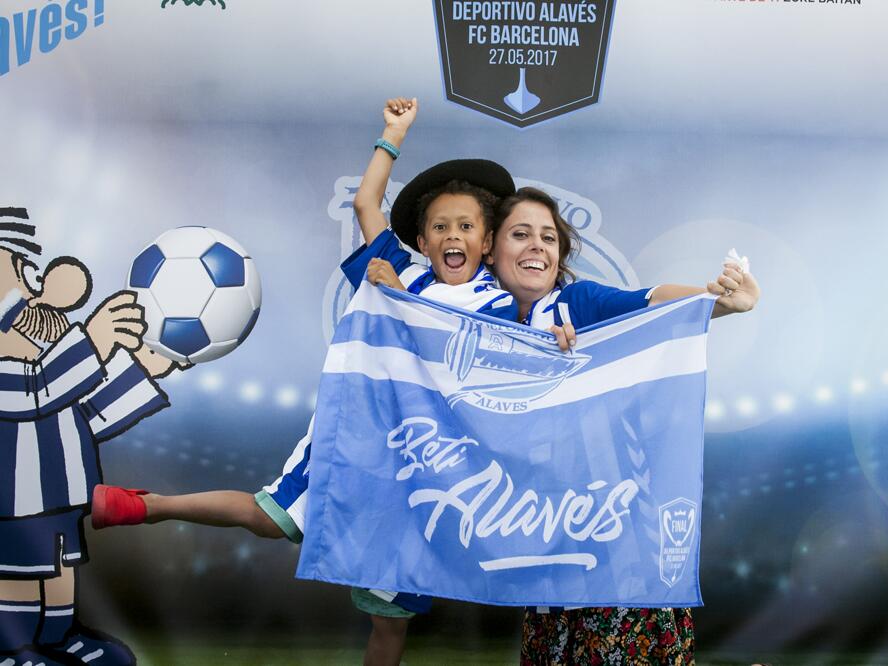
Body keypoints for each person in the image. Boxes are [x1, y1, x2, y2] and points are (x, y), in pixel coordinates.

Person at [90, 98, 522, 666]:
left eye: (465, 225)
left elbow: (470, 370)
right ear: (422, 240)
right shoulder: (407, 269)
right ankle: (150, 506)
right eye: (439, 225)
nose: (452, 235)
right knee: (274, 518)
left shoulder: (497, 301)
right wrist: (392, 135)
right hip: (361, 441)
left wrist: (394, 298)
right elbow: (368, 202)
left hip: (426, 467)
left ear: (487, 242)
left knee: (390, 626)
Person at [483, 187, 760, 665]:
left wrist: (715, 302)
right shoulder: (475, 326)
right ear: (490, 247)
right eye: (521, 234)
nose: (537, 246)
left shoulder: (577, 305)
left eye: (548, 237)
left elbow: (651, 300)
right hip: (547, 551)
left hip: (617, 542)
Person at [0, 206, 180, 666]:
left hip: (55, 496)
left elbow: (88, 412)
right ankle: (12, 649)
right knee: (19, 571)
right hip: (11, 500)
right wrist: (95, 340)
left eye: (24, 274)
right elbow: (34, 390)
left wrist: (147, 366)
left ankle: (58, 639)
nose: (28, 293)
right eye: (12, 274)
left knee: (59, 568)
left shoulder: (47, 359)